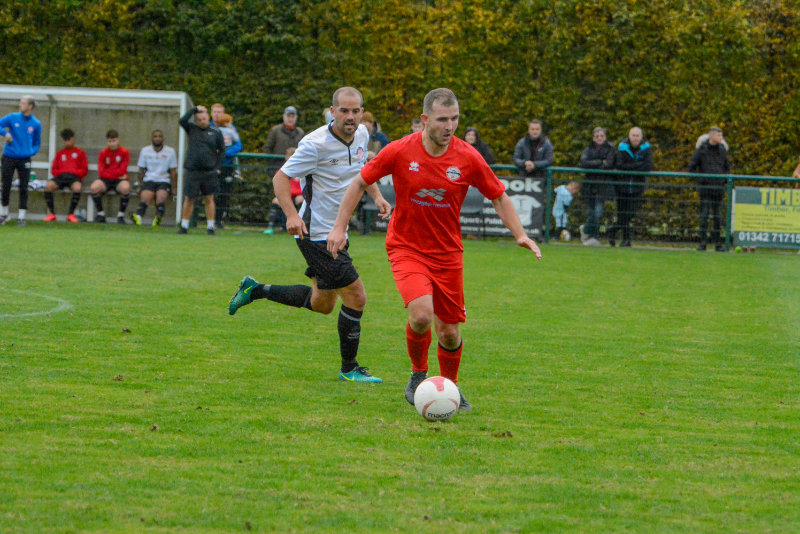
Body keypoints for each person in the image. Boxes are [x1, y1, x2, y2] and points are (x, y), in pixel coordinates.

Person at [328, 88, 542, 411]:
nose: (450, 126)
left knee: (450, 334)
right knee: (421, 315)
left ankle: (449, 388)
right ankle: (418, 374)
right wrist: (339, 227)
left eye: (454, 118)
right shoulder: (400, 150)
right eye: (442, 119)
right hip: (406, 247)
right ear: (425, 119)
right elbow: (359, 182)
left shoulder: (468, 156)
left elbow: (498, 195)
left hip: (447, 254)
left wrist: (520, 234)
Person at [228, 87, 392, 383]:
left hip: (337, 232)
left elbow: (363, 171)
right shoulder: (314, 144)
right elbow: (281, 177)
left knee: (323, 304)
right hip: (316, 233)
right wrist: (291, 215)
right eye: (344, 111)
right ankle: (349, 369)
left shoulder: (362, 135)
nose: (350, 116)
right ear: (332, 111)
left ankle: (255, 290)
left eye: (356, 111)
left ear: (362, 112)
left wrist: (377, 196)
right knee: (356, 296)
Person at [177, 105, 224, 235]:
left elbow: (222, 151)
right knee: (189, 198)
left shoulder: (216, 132)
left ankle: (210, 227)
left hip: (209, 171)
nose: (202, 121)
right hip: (193, 171)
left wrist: (218, 168)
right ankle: (184, 226)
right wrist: (194, 110)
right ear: (196, 121)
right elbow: (182, 121)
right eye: (199, 119)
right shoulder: (192, 129)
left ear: (208, 118)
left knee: (209, 198)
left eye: (204, 119)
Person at [0, 95, 41, 226]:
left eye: (23, 103)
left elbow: (37, 142)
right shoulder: (13, 117)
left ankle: (21, 217)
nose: (20, 105)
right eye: (20, 103)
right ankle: (4, 214)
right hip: (9, 157)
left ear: (30, 106)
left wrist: (30, 151)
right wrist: (5, 133)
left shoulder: (36, 123)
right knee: (6, 185)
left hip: (24, 159)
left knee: (24, 187)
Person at [608, 127, 652, 247]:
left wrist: (631, 166)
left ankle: (612, 230)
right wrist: (637, 165)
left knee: (631, 213)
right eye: (633, 135)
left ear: (641, 137)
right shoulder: (622, 147)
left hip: (637, 187)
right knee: (622, 213)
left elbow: (648, 166)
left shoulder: (646, 148)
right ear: (629, 136)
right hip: (622, 186)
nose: (635, 138)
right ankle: (626, 240)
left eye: (637, 136)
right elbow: (620, 165)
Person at [689, 126, 730, 251]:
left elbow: (727, 167)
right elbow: (691, 167)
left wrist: (723, 180)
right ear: (711, 136)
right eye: (719, 135)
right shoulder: (701, 150)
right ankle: (702, 243)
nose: (721, 138)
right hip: (705, 188)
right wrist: (700, 181)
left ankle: (718, 243)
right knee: (704, 215)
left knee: (717, 216)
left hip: (718, 188)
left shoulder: (722, 150)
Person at [578, 127, 616, 245]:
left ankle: (586, 230)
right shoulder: (588, 149)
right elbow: (584, 163)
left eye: (601, 136)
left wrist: (593, 164)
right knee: (591, 211)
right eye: (597, 136)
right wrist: (600, 162)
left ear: (605, 137)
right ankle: (592, 237)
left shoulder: (610, 149)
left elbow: (609, 164)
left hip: (602, 186)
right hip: (589, 186)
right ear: (593, 138)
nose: (599, 138)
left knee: (598, 212)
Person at [132, 130, 178, 226]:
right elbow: (141, 170)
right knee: (145, 198)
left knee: (160, 198)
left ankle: (157, 219)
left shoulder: (170, 151)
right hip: (149, 180)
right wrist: (139, 185)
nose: (157, 138)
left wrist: (175, 187)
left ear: (163, 139)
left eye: (160, 136)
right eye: (155, 136)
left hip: (164, 180)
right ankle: (138, 218)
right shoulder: (145, 150)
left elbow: (173, 171)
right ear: (152, 138)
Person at [43, 129, 88, 223]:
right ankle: (52, 214)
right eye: (65, 140)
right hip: (61, 177)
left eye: (69, 139)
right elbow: (54, 169)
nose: (67, 142)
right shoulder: (60, 153)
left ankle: (70, 214)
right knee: (48, 186)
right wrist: (61, 173)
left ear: (73, 139)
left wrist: (75, 172)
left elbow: (84, 169)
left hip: (74, 177)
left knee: (77, 188)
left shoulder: (80, 153)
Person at [90, 129, 131, 224]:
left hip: (118, 181)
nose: (112, 144)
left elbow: (122, 170)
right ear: (107, 141)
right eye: (109, 141)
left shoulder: (125, 152)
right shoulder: (103, 153)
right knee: (94, 187)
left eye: (114, 141)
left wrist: (111, 172)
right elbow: (101, 172)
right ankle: (101, 214)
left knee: (125, 188)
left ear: (118, 140)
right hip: (106, 179)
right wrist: (117, 174)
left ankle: (120, 216)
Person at [264, 147, 302, 235]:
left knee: (300, 199)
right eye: (289, 156)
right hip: (286, 196)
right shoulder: (282, 171)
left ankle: (302, 225)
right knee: (276, 201)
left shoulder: (302, 170)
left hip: (298, 195)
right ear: (286, 158)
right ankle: (270, 227)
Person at [214, 113, 242, 228]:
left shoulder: (214, 131)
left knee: (215, 194)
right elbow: (239, 145)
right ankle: (219, 220)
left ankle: (213, 219)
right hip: (226, 165)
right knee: (223, 194)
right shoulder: (231, 132)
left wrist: (220, 153)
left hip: (215, 164)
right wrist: (226, 153)